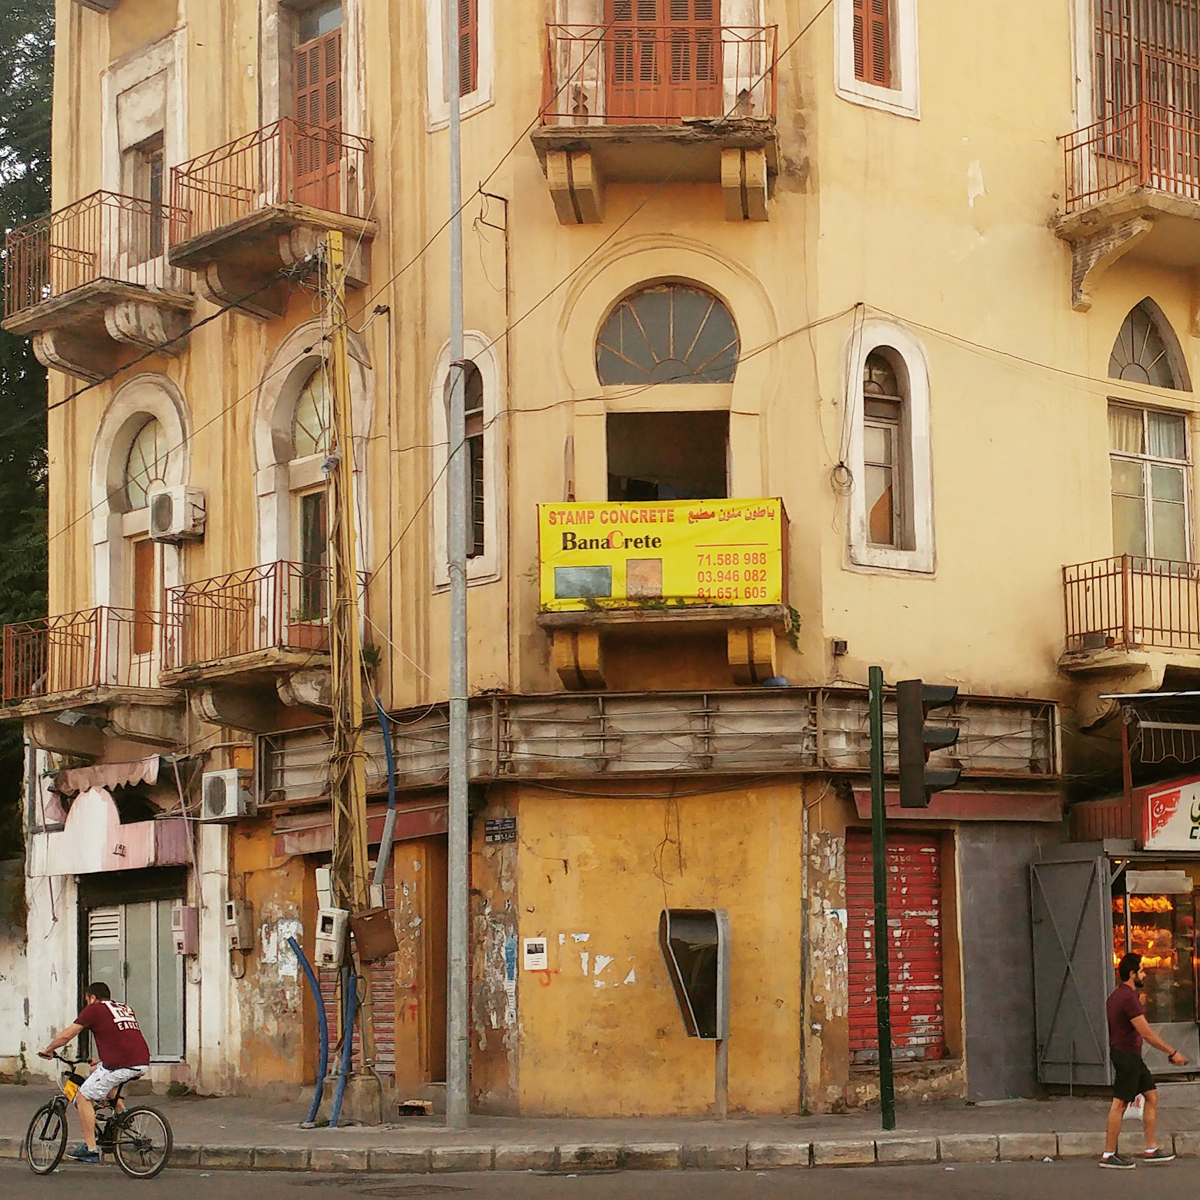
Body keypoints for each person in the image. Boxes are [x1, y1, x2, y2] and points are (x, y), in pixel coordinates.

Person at [38, 982, 150, 1165]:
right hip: (140, 1061)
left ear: (92, 997)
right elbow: (122, 1036)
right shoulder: (124, 1008)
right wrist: (100, 1059)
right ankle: (123, 1115)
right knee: (95, 1073)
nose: (87, 1003)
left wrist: (49, 1049)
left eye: (87, 999)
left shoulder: (94, 1009)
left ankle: (90, 1149)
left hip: (120, 1064)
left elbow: (68, 1034)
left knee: (83, 1097)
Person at [1101, 952, 1189, 1168]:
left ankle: (1151, 1148)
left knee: (1151, 1095)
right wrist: (1172, 1052)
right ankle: (1108, 1154)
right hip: (1127, 1056)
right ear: (1132, 974)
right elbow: (1146, 1033)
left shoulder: (1116, 996)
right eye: (1141, 970)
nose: (1144, 975)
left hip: (1128, 1055)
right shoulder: (1128, 999)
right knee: (1119, 1103)